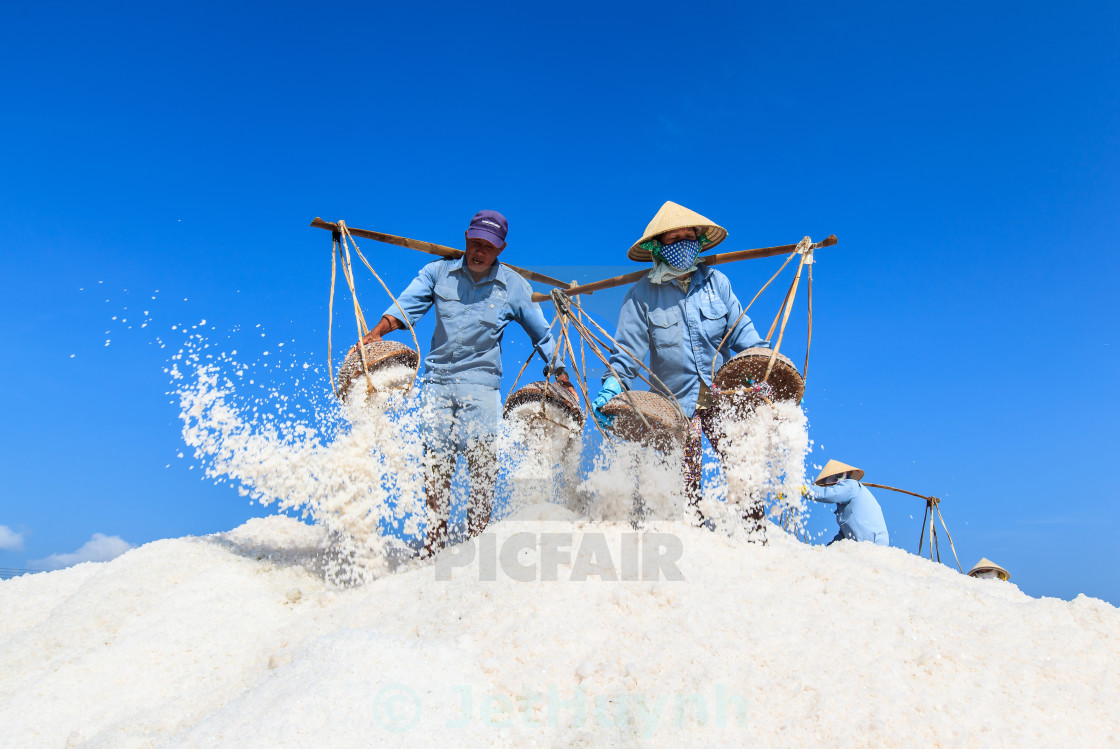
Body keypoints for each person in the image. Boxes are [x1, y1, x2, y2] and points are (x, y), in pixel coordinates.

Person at [357, 210, 573, 555]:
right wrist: (376, 333)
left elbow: (541, 332)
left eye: (487, 247)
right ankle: (434, 541)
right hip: (438, 380)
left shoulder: (514, 285)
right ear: (466, 239)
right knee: (436, 461)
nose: (478, 252)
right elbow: (405, 306)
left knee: (482, 460)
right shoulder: (438, 272)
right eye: (474, 244)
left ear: (500, 249)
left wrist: (559, 371)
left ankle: (476, 539)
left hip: (481, 383)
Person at [590, 201, 767, 528]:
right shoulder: (642, 296)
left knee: (744, 470)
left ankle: (754, 538)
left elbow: (743, 334)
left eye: (689, 237)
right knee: (685, 483)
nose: (684, 244)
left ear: (699, 241)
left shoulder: (717, 284)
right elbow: (627, 353)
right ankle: (690, 540)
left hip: (720, 395)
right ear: (658, 247)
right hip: (673, 404)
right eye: (674, 239)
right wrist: (612, 387)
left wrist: (761, 369)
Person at [804, 460, 890, 546]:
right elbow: (844, 534)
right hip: (871, 544)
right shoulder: (847, 501)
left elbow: (828, 494)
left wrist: (803, 488)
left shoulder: (851, 485)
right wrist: (828, 548)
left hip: (871, 543)